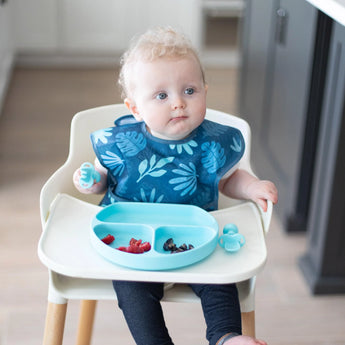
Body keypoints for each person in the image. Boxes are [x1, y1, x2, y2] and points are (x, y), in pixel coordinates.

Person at [73, 27, 277, 345]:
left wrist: (251, 187)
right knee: (131, 289)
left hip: (197, 239)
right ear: (135, 108)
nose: (178, 103)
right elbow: (103, 179)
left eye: (190, 91)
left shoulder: (212, 143)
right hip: (134, 242)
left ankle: (226, 336)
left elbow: (228, 178)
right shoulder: (123, 144)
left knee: (221, 281)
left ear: (205, 91)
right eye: (162, 95)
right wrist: (91, 181)